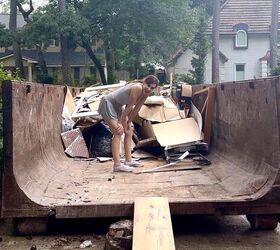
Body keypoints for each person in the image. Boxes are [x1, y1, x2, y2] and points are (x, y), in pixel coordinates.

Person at [98, 75, 160, 172]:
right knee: (118, 131)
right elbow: (129, 107)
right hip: (108, 103)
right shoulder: (137, 88)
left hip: (118, 107)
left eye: (152, 88)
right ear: (144, 82)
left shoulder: (146, 93)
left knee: (129, 130)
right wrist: (120, 123)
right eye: (148, 85)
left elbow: (137, 108)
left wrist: (129, 122)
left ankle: (128, 160)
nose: (149, 89)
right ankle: (117, 165)